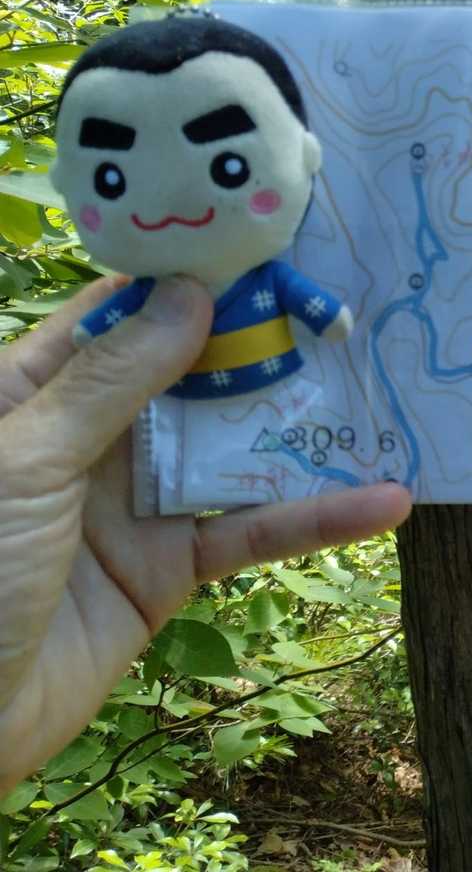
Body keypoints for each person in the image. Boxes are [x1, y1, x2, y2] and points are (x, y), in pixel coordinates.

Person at [0, 274, 412, 793]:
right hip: (237, 393)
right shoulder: (171, 289)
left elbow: (316, 306)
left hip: (259, 390)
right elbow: (321, 311)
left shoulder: (244, 277)